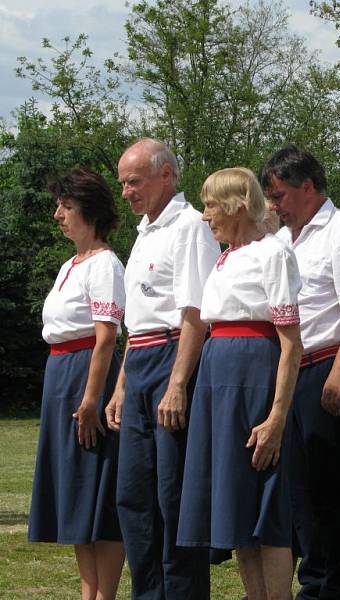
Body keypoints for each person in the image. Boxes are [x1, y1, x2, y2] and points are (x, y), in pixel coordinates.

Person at [176, 168, 303, 599]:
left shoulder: (274, 254)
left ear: (238, 206)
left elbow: (291, 344)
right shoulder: (225, 256)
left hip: (255, 378)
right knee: (236, 504)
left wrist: (276, 417)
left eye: (211, 204)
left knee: (263, 503)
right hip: (217, 378)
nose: (205, 214)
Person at [260, 145, 340, 600]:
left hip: (327, 365)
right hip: (291, 371)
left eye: (280, 194)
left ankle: (329, 586)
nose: (274, 205)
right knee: (296, 486)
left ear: (307, 187)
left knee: (329, 487)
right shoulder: (284, 239)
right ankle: (307, 579)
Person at [106, 138, 220, 599]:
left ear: (166, 175)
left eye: (134, 182)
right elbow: (136, 321)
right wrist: (120, 385)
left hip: (175, 358)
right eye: (123, 184)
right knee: (133, 496)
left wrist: (177, 384)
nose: (127, 192)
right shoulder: (144, 233)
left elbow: (195, 312)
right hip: (140, 363)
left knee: (173, 497)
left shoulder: (190, 226)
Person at [29, 167, 126, 600]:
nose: (57, 215)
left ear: (88, 211)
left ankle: (104, 593)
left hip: (88, 376)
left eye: (66, 207)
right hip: (61, 375)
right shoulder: (72, 264)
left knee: (97, 488)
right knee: (73, 489)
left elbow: (107, 334)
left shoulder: (104, 263)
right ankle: (89, 592)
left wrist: (91, 399)